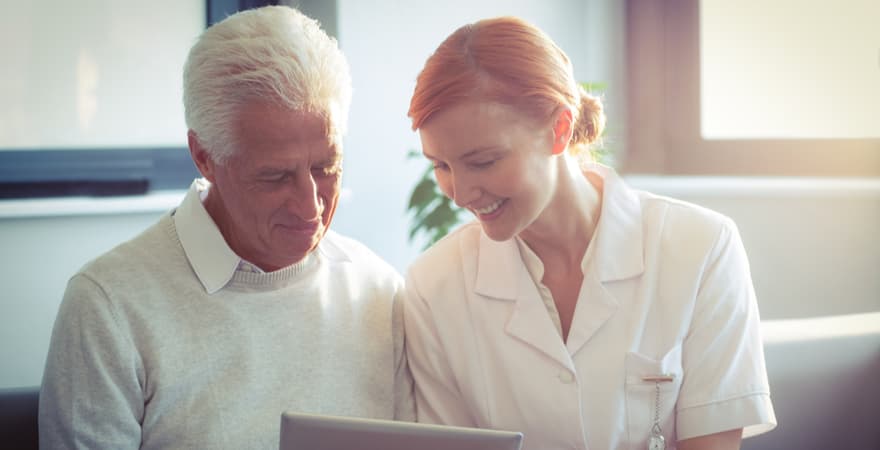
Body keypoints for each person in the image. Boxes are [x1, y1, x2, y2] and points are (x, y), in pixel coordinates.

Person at [39, 6, 413, 449]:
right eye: (275, 176)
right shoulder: (109, 307)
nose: (311, 204)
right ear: (204, 157)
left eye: (326, 166)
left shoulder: (379, 290)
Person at [403, 16, 776, 450]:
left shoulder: (702, 248)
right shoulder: (433, 286)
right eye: (441, 166)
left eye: (483, 161)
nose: (460, 193)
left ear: (559, 129)